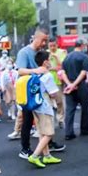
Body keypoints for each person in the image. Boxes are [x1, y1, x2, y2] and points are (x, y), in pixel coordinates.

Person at [16, 27, 65, 159]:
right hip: (28, 93)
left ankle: (48, 146)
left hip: (40, 93)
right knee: (27, 120)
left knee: (43, 121)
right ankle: (25, 149)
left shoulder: (42, 53)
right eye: (43, 40)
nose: (44, 43)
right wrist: (36, 70)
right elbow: (20, 71)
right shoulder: (24, 52)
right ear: (36, 38)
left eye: (46, 41)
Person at [27, 51, 63, 168]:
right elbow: (53, 93)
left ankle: (47, 156)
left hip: (35, 106)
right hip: (45, 107)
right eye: (49, 60)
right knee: (49, 133)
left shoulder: (35, 74)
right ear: (45, 62)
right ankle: (35, 156)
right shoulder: (47, 76)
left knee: (42, 132)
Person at [62, 38, 88, 140]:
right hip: (81, 85)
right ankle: (84, 129)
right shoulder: (84, 57)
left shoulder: (67, 57)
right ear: (82, 45)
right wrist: (75, 84)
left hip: (69, 85)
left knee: (69, 109)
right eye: (85, 45)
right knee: (85, 108)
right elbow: (83, 72)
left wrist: (69, 84)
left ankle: (68, 133)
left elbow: (63, 72)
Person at [48, 38, 67, 128]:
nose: (52, 48)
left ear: (57, 45)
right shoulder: (46, 53)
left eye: (54, 46)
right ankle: (49, 120)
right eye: (50, 46)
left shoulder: (62, 52)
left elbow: (62, 66)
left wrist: (55, 57)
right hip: (47, 80)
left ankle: (60, 119)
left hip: (58, 80)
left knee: (59, 101)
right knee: (48, 101)